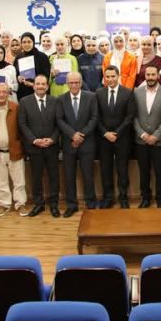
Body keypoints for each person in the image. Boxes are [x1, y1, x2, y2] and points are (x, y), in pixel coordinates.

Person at [18, 74, 61, 217]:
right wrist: (34, 140)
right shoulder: (24, 102)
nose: (40, 86)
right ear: (34, 86)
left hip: (51, 146)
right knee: (36, 177)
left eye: (43, 84)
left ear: (47, 86)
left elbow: (59, 123)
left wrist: (53, 139)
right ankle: (39, 204)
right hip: (34, 147)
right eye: (38, 84)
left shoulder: (55, 101)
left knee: (53, 176)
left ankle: (54, 204)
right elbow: (22, 124)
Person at [55, 72, 98, 216]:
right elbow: (60, 120)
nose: (74, 85)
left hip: (87, 142)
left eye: (76, 82)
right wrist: (72, 134)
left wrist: (81, 135)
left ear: (81, 83)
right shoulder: (61, 99)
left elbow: (94, 118)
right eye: (71, 83)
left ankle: (90, 202)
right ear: (67, 84)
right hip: (69, 143)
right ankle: (72, 205)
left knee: (88, 175)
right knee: (69, 176)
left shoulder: (91, 97)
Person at [0, 82, 27, 217]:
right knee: (1, 182)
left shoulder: (16, 108)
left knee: (19, 181)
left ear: (9, 94)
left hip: (15, 151)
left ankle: (20, 204)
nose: (1, 95)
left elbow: (23, 129)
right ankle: (4, 204)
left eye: (4, 92)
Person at [96, 66, 135, 208]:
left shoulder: (128, 93)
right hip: (104, 138)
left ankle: (123, 198)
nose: (110, 79)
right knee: (105, 169)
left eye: (113, 76)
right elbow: (96, 116)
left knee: (122, 169)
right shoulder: (98, 93)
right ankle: (108, 198)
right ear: (104, 78)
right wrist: (105, 133)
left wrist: (117, 133)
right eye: (108, 77)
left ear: (118, 76)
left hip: (122, 138)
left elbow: (129, 117)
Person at [133, 64, 161, 208]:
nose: (150, 77)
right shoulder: (136, 92)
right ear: (145, 76)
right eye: (148, 75)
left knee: (160, 171)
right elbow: (133, 116)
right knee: (144, 172)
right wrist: (143, 134)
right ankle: (145, 198)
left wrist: (156, 136)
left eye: (153, 74)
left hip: (160, 141)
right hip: (141, 141)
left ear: (158, 76)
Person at [15, 32, 52, 100]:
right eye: (24, 42)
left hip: (39, 92)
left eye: (29, 42)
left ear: (33, 42)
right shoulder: (18, 57)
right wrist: (18, 78)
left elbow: (46, 77)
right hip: (23, 94)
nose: (26, 44)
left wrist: (33, 84)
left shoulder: (42, 57)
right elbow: (16, 74)